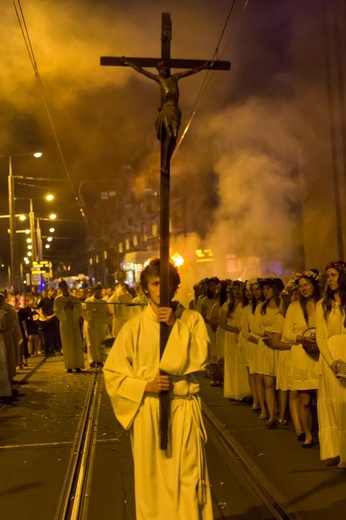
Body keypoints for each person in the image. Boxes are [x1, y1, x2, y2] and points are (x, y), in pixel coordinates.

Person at [103, 258, 213, 519]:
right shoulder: (133, 328)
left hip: (183, 408)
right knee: (152, 481)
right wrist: (145, 385)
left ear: (175, 287)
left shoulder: (191, 320)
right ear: (145, 288)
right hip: (148, 410)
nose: (160, 289)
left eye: (166, 284)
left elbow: (201, 356)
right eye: (154, 284)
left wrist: (176, 326)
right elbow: (113, 372)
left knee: (189, 478)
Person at [121, 57, 212, 173]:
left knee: (174, 135)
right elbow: (141, 71)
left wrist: (204, 66)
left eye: (165, 69)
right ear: (158, 71)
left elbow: (191, 71)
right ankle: (164, 164)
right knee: (168, 135)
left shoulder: (175, 77)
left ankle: (167, 162)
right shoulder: (159, 79)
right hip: (166, 111)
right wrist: (128, 63)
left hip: (175, 110)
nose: (163, 72)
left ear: (167, 69)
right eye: (161, 70)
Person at [281, 270, 321, 447]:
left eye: (307, 285)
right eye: (300, 286)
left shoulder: (323, 304)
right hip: (301, 355)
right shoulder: (294, 307)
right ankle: (308, 435)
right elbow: (286, 333)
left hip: (321, 355)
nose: (304, 289)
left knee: (323, 399)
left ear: (314, 284)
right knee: (304, 400)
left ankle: (326, 432)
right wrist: (302, 338)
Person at [316, 261, 346, 468]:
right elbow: (320, 337)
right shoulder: (323, 305)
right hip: (332, 357)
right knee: (336, 405)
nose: (330, 280)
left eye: (333, 275)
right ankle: (341, 453)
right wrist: (332, 361)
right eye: (328, 276)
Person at [54, 280, 84, 373]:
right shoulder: (58, 299)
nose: (64, 289)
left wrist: (73, 307)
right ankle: (69, 365)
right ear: (60, 289)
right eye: (62, 287)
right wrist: (65, 307)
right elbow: (57, 311)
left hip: (73, 322)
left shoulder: (74, 298)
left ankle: (77, 365)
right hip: (65, 322)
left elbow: (79, 309)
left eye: (65, 287)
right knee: (67, 344)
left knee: (76, 343)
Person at [82, 283, 112, 368]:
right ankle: (93, 360)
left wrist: (109, 319)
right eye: (97, 291)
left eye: (100, 291)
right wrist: (91, 312)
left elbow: (107, 313)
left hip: (102, 325)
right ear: (94, 292)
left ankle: (100, 360)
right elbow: (84, 312)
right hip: (92, 324)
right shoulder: (89, 301)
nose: (99, 293)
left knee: (101, 343)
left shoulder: (104, 302)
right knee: (92, 343)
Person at [37, 287, 61, 356]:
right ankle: (46, 350)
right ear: (48, 292)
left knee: (53, 335)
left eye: (53, 291)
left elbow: (57, 310)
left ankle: (52, 350)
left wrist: (51, 316)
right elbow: (37, 308)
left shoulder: (54, 300)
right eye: (51, 291)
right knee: (46, 336)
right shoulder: (44, 300)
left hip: (53, 319)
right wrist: (41, 315)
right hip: (45, 320)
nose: (52, 292)